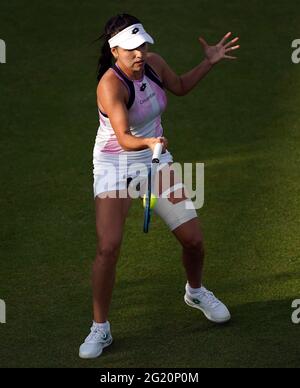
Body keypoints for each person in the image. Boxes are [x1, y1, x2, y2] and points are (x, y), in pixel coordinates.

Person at [79, 13, 239, 359]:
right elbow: (123, 138)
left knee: (194, 240)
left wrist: (208, 62)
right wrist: (151, 142)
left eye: (143, 46)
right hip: (116, 164)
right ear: (115, 52)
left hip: (155, 157)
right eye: (132, 49)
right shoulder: (110, 85)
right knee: (109, 246)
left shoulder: (153, 64)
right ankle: (100, 328)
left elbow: (179, 86)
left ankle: (195, 292)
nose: (140, 53)